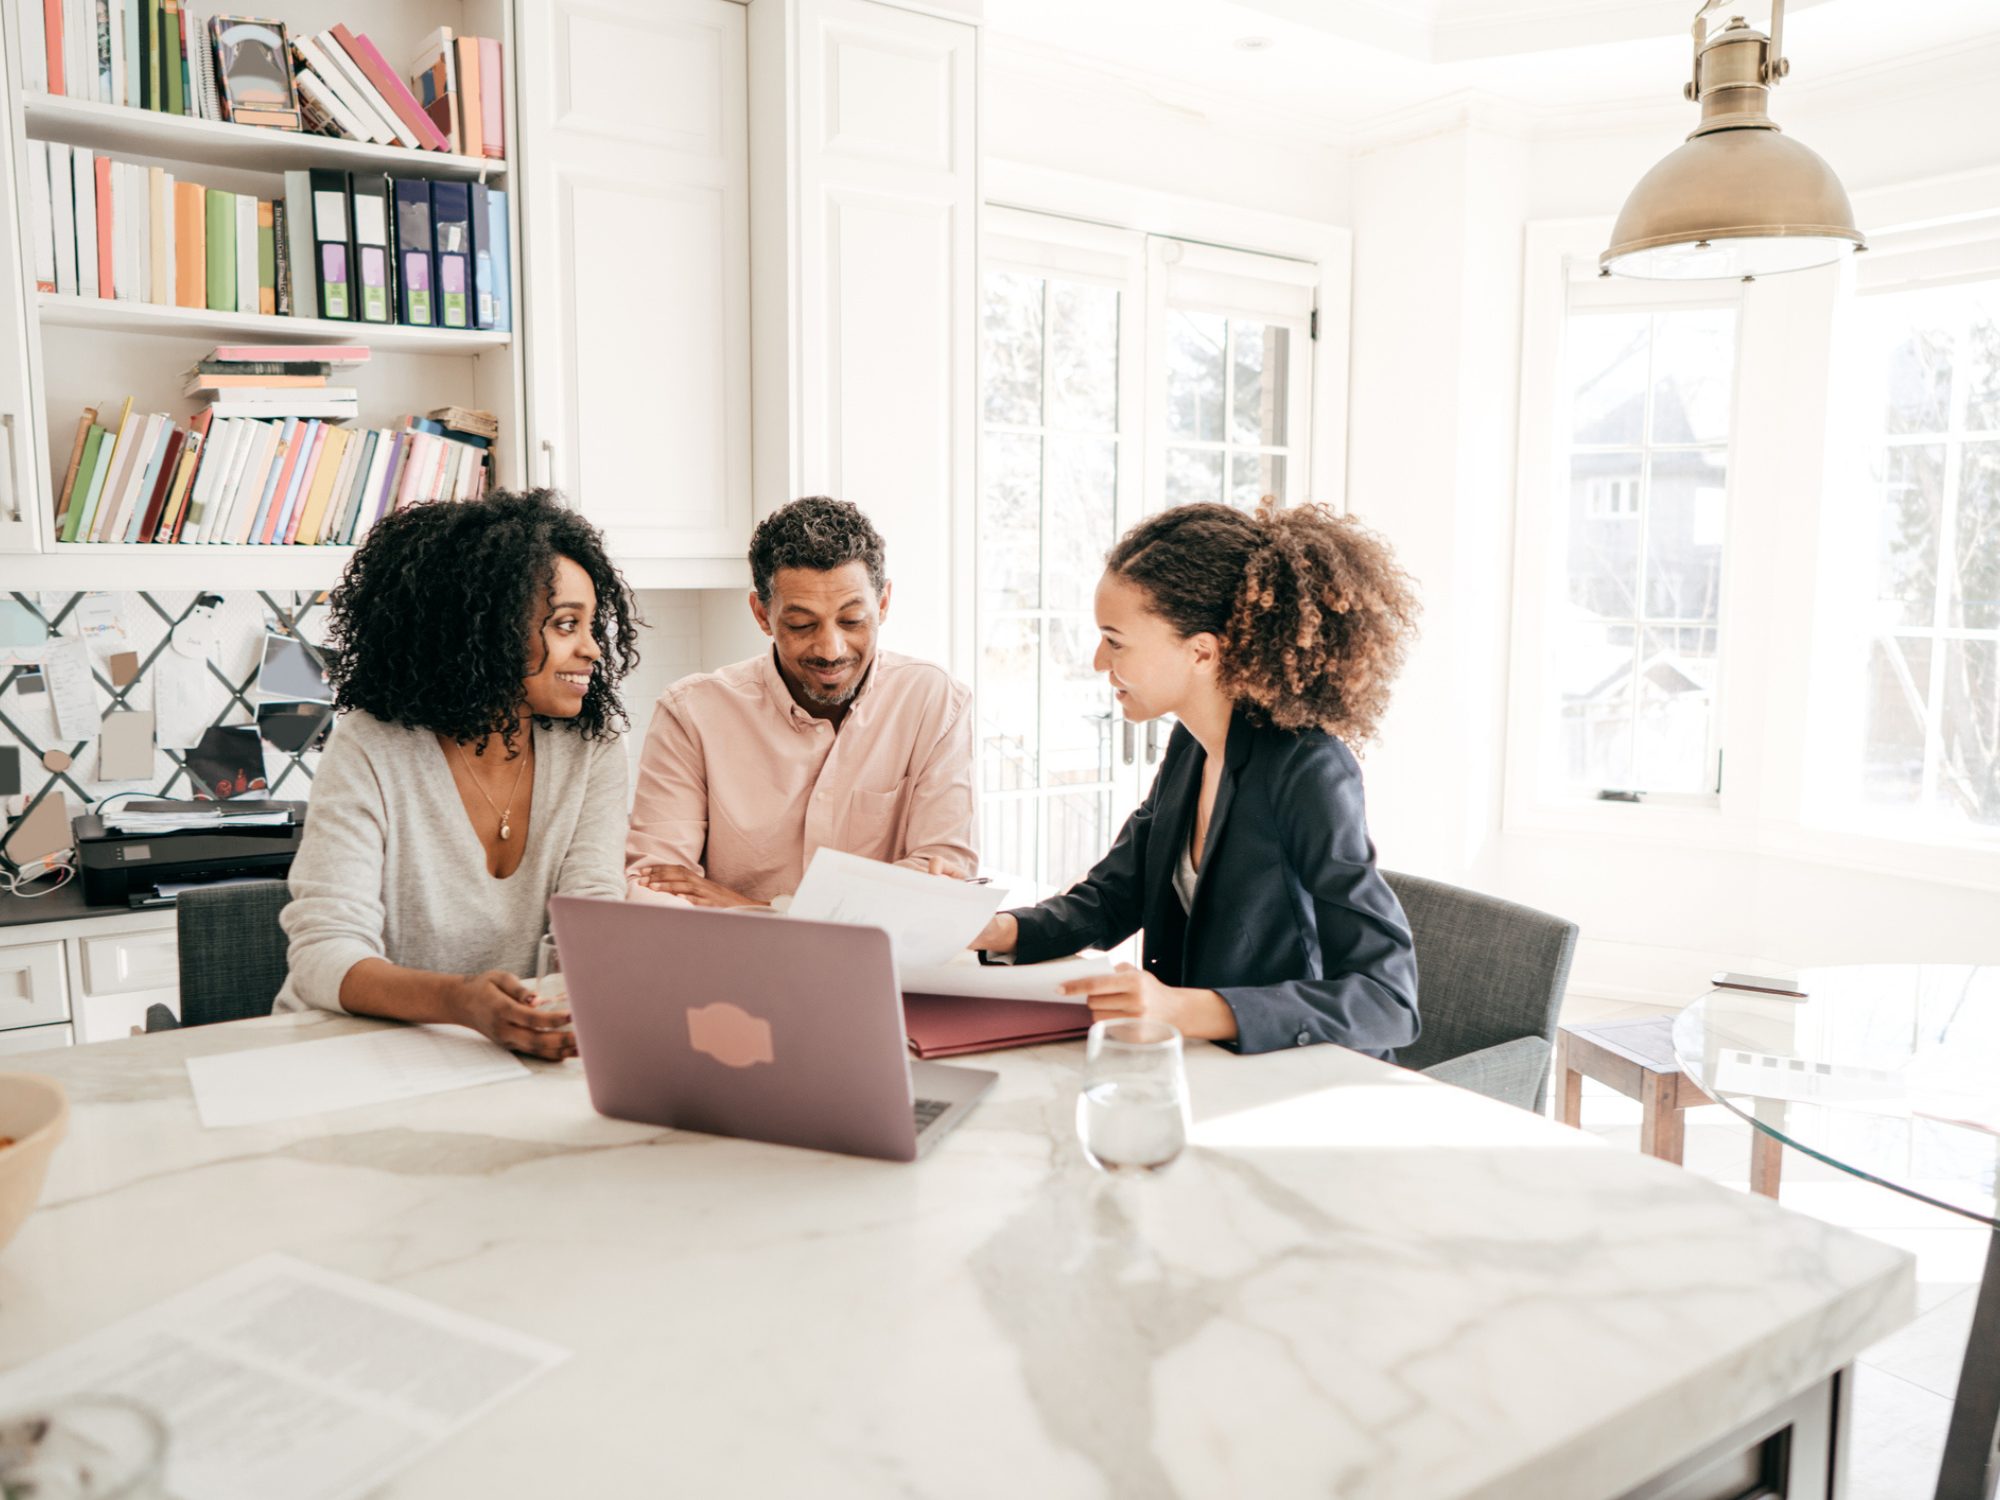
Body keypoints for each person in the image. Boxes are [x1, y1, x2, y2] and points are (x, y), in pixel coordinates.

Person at [971, 499, 1422, 1058]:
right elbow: (1115, 897)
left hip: (1295, 1077)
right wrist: (993, 931)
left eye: (1115, 640)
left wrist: (1183, 1010)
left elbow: (1388, 1002)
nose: (1096, 661)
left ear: (1202, 652)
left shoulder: (1308, 770)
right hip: (1203, 1067)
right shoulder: (1191, 744)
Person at [274, 489, 641, 1060]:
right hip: (356, 1053)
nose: (593, 649)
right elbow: (324, 953)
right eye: (567, 624)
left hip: (509, 1048)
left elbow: (591, 918)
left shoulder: (592, 748)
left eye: (592, 626)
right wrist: (460, 1003)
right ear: (487, 628)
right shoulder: (372, 745)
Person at [626, 496, 976, 907]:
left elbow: (944, 877)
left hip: (880, 969)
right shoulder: (690, 714)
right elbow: (655, 889)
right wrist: (870, 900)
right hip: (732, 969)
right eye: (801, 624)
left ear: (882, 605)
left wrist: (755, 909)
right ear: (762, 614)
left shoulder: (935, 702)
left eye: (851, 620)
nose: (831, 649)